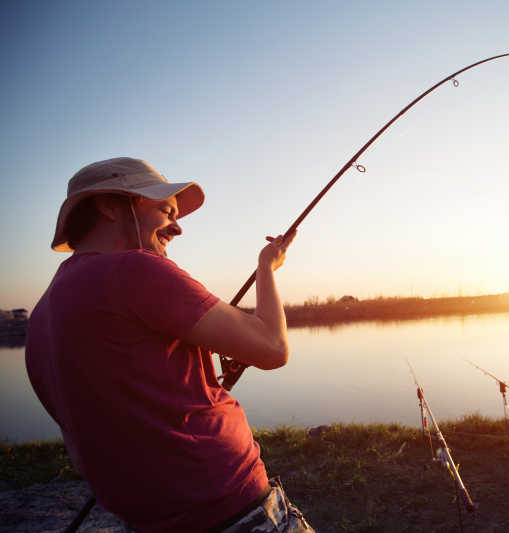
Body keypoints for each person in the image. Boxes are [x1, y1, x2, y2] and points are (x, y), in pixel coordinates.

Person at [25, 157, 313, 532]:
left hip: (149, 520)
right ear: (110, 206)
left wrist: (197, 367)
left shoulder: (42, 314)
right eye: (165, 210)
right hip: (229, 506)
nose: (177, 227)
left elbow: (127, 397)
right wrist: (266, 266)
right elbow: (273, 348)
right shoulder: (136, 269)